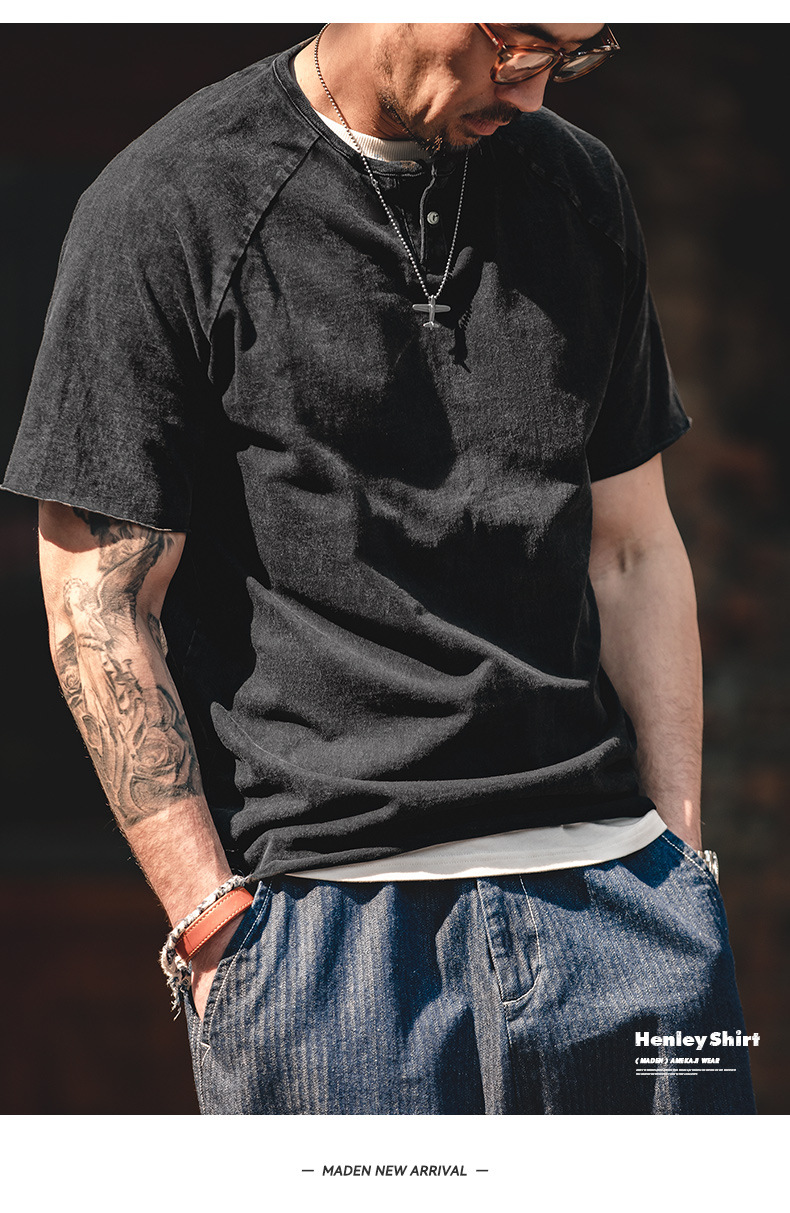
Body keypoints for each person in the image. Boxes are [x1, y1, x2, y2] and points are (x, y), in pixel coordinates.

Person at [3, 22, 756, 1115]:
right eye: (516, 45)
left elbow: (633, 547)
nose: (534, 93)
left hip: (622, 911)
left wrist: (681, 858)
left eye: (574, 55)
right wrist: (210, 925)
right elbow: (97, 595)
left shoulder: (578, 188)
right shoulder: (171, 202)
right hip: (331, 942)